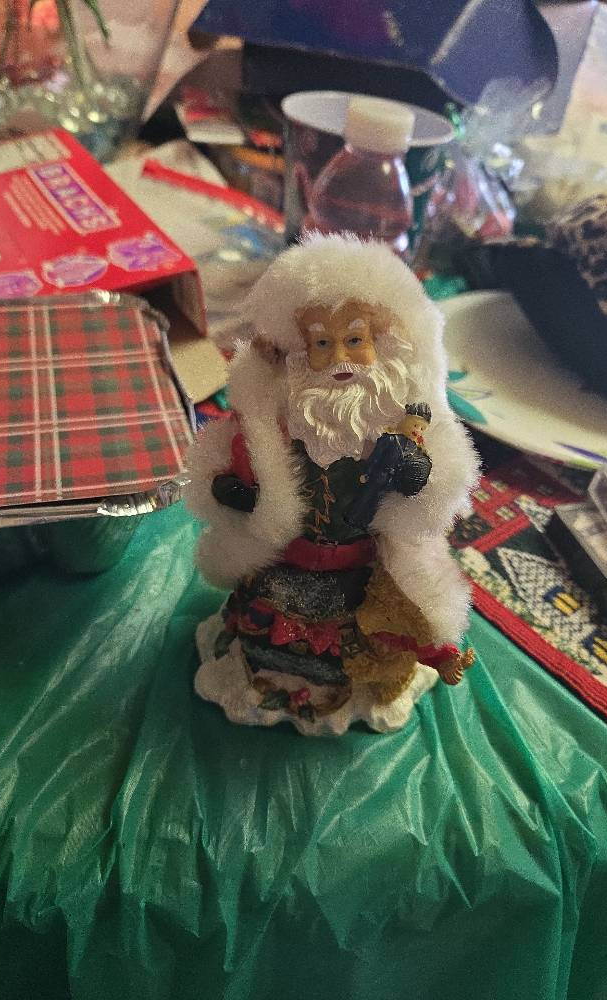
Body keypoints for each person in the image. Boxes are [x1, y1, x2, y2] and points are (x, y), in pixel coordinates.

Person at [185, 234, 480, 734]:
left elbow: (437, 491)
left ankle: (338, 686)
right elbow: (235, 451)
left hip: (358, 572)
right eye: (323, 343)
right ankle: (271, 678)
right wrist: (235, 493)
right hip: (286, 560)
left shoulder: (397, 415)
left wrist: (418, 477)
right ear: (303, 351)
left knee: (365, 638)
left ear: (379, 341)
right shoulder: (284, 412)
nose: (340, 356)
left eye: (355, 340)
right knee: (263, 623)